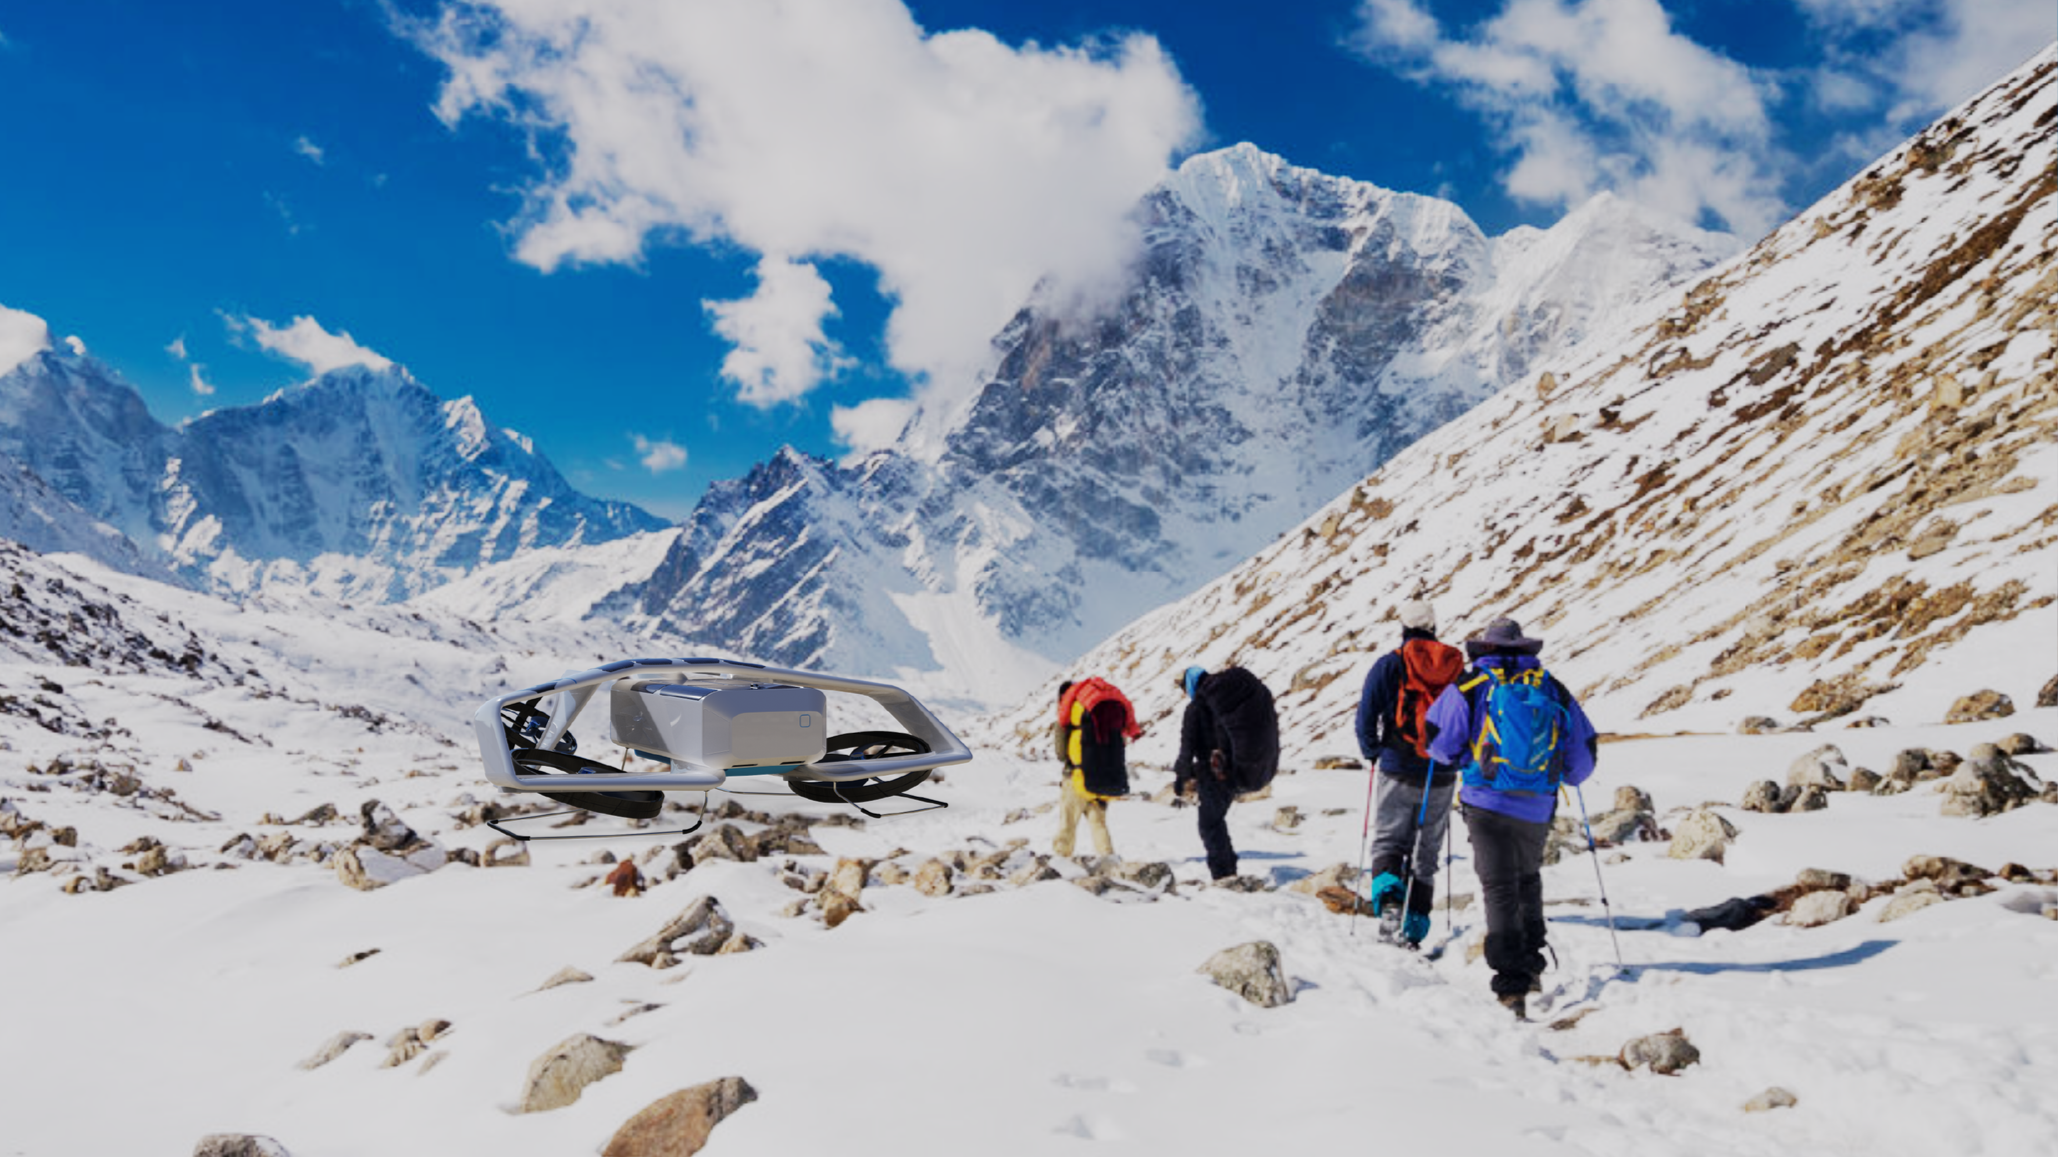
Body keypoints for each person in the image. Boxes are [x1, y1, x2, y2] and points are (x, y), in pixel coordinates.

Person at [1426, 617, 1597, 1019]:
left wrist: (1462, 759)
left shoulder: (1470, 685)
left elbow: (1438, 742)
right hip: (1537, 802)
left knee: (1498, 887)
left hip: (1485, 801)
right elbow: (1582, 750)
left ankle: (1511, 985)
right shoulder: (1549, 686)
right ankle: (1533, 963)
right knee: (1527, 878)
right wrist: (1562, 777)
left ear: (1486, 647)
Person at [1354, 598, 1466, 946]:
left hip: (1397, 765)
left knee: (1389, 840)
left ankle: (1389, 907)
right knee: (1427, 850)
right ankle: (1415, 927)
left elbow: (1366, 717)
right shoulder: (1456, 668)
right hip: (1442, 771)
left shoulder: (1390, 665)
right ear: (1434, 626)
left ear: (1403, 626)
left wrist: (1374, 752)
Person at [1171, 664, 1279, 882]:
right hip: (1230, 771)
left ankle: (1223, 875)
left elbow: (1187, 749)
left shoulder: (1196, 709)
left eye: (1183, 686)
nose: (1184, 692)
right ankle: (1228, 868)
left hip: (1211, 775)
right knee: (1216, 821)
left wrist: (1181, 777)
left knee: (1209, 824)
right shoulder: (1221, 701)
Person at [1052, 677, 1140, 858]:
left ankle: (1060, 861)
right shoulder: (1096, 711)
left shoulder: (1069, 716)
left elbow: (1061, 753)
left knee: (1067, 823)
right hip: (1101, 776)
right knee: (1098, 823)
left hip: (1075, 777)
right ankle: (1109, 861)